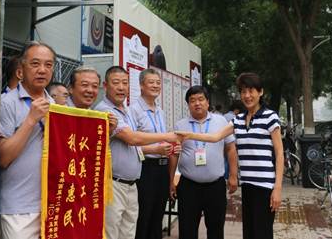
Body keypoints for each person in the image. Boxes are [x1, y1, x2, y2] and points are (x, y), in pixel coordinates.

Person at [176, 73, 284, 239]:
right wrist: (190, 135)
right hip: (247, 185)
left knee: (262, 233)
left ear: (260, 92)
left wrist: (277, 188)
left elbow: (279, 153)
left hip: (265, 187)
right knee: (249, 233)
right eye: (243, 92)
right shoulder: (238, 120)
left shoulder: (270, 117)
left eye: (251, 91)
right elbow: (215, 137)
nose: (247, 96)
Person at [94, 66, 179, 239]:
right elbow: (132, 138)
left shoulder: (126, 111)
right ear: (105, 85)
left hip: (132, 182)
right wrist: (165, 139)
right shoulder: (106, 111)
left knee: (130, 230)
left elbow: (133, 145)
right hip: (116, 182)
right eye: (116, 83)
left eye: (124, 83)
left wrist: (169, 146)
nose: (121, 87)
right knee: (115, 231)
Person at [0, 41, 55, 239]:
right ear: (21, 70)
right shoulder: (6, 103)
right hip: (19, 208)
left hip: (52, 204)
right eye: (35, 64)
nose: (42, 70)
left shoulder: (56, 105)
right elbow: (3, 158)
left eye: (48, 65)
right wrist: (31, 120)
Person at [169, 86, 238, 239]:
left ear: (208, 102)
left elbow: (230, 148)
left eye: (201, 99)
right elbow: (174, 154)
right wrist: (171, 180)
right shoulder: (180, 125)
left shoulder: (221, 121)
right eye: (192, 100)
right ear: (188, 104)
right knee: (187, 230)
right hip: (189, 186)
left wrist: (233, 175)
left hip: (215, 186)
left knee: (216, 230)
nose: (197, 103)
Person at [129, 68, 180, 239]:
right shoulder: (133, 110)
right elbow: (130, 145)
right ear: (141, 85)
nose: (156, 86)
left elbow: (161, 140)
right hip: (145, 169)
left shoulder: (160, 111)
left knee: (158, 216)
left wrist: (171, 147)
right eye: (151, 82)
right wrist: (154, 150)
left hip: (162, 169)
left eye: (158, 83)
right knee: (144, 217)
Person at [67, 66, 118, 132]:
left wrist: (107, 131)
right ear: (70, 88)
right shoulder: (59, 114)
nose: (90, 90)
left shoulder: (95, 118)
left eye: (95, 86)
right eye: (85, 85)